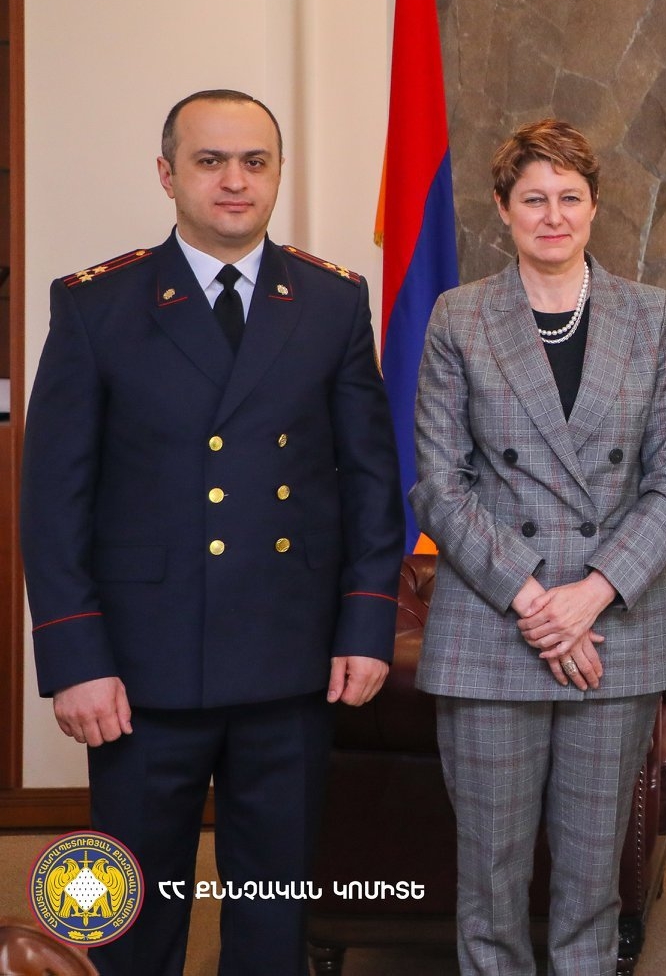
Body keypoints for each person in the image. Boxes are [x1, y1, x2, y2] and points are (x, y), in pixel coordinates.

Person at [20, 88, 405, 975]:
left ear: (277, 174)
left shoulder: (331, 299)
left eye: (255, 162)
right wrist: (75, 657)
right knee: (128, 908)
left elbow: (371, 482)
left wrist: (364, 624)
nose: (235, 180)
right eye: (210, 161)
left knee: (274, 908)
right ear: (167, 174)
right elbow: (53, 500)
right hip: (138, 668)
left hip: (290, 658)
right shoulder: (96, 304)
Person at [410, 119, 666, 975]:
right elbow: (439, 482)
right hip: (495, 628)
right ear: (503, 208)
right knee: (491, 886)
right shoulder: (460, 316)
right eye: (533, 198)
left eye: (570, 197)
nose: (553, 214)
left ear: (595, 205)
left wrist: (592, 593)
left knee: (590, 888)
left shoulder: (650, 315)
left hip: (612, 632)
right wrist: (536, 600)